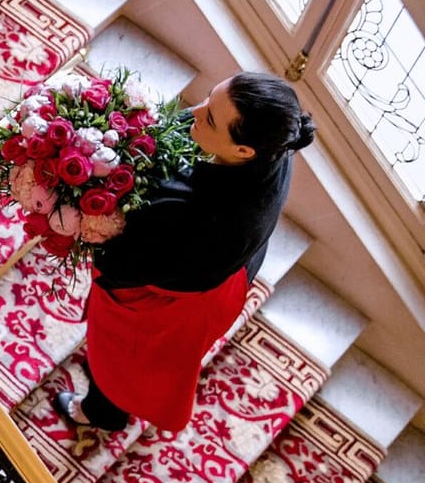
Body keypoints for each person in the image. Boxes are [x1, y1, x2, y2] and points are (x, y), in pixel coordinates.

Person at [56, 72, 316, 434]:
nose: (194, 111)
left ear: (243, 151)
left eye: (209, 118)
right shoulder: (277, 140)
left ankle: (104, 411)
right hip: (219, 273)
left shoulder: (198, 219)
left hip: (172, 301)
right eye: (209, 98)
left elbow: (115, 265)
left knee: (124, 360)